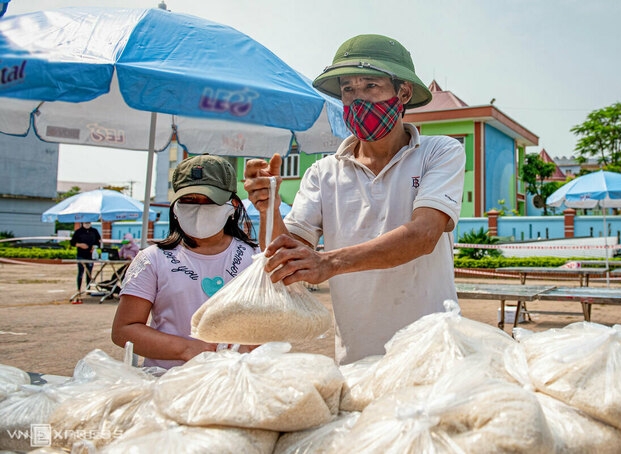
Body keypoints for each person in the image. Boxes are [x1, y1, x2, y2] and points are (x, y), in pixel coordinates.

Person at [244, 34, 466, 365]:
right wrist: (270, 206)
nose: (358, 99)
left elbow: (424, 235)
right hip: (358, 355)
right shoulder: (323, 172)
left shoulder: (440, 152)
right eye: (349, 89)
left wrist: (329, 262)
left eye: (371, 86)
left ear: (403, 93)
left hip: (433, 351)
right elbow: (286, 249)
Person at [111, 154, 259, 370]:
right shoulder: (152, 259)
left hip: (237, 383)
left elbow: (271, 325)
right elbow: (124, 329)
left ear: (233, 205)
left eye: (209, 201)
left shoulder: (255, 258)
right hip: (167, 385)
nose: (198, 208)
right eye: (188, 201)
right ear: (176, 206)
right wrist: (186, 348)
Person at [70, 221, 102, 303]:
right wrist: (80, 245)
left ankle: (88, 288)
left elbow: (98, 242)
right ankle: (79, 289)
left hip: (90, 255)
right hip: (81, 255)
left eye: (88, 222)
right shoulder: (78, 232)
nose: (87, 224)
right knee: (80, 272)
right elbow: (72, 242)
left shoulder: (94, 231)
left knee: (89, 272)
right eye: (85, 223)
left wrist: (94, 248)